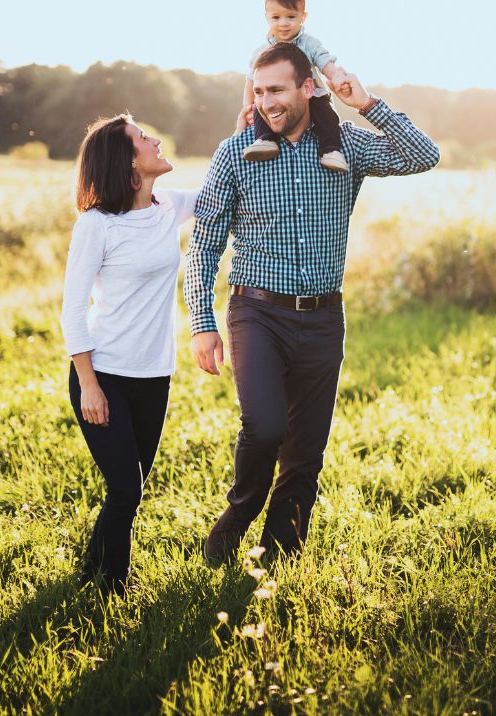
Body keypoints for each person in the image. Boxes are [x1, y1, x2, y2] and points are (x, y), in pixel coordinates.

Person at [185, 42, 440, 565]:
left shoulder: (344, 145)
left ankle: (279, 555)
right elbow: (206, 242)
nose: (265, 102)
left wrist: (366, 103)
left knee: (305, 451)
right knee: (265, 426)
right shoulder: (236, 153)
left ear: (308, 88)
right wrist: (201, 322)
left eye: (276, 90)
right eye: (258, 91)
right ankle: (239, 514)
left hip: (324, 318)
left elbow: (424, 155)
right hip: (256, 311)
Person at [60, 113, 198, 596]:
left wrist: (251, 125)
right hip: (104, 374)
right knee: (125, 489)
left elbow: (227, 188)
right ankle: (110, 590)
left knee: (130, 490)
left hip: (154, 374)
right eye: (143, 138)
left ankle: (91, 573)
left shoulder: (168, 207)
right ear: (128, 162)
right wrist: (90, 385)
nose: (156, 139)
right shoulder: (96, 225)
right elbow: (73, 312)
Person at [239, 0, 350, 173]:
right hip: (271, 100)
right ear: (266, 17)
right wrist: (248, 106)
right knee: (262, 108)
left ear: (303, 17)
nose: (283, 23)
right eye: (276, 17)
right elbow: (251, 80)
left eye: (291, 16)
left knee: (328, 117)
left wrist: (337, 77)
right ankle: (264, 140)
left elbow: (324, 61)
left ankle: (331, 150)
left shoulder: (309, 43)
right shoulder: (261, 51)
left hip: (313, 95)